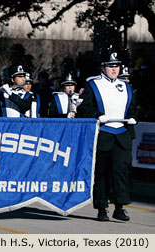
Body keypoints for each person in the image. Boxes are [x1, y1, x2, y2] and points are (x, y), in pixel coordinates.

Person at [78, 49, 137, 222]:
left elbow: (133, 107)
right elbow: (83, 108)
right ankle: (102, 208)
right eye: (110, 66)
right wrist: (97, 115)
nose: (114, 69)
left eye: (116, 66)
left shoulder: (126, 86)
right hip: (103, 133)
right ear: (103, 67)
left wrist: (134, 117)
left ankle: (120, 207)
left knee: (121, 172)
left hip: (122, 134)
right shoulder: (92, 84)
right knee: (101, 173)